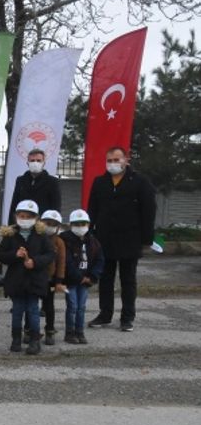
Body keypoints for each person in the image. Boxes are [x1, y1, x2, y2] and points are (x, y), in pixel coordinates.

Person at [86, 146, 156, 332]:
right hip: (104, 239)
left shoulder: (141, 182)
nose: (113, 164)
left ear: (126, 160)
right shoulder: (100, 182)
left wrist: (147, 239)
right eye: (109, 160)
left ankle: (127, 318)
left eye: (117, 160)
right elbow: (92, 209)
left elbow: (149, 211)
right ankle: (105, 314)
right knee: (105, 278)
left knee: (128, 280)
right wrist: (88, 233)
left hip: (130, 238)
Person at [0, 200, 55, 355]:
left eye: (28, 216)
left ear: (36, 218)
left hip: (35, 281)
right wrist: (14, 255)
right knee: (17, 311)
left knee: (33, 311)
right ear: (16, 216)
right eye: (21, 216)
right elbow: (1, 255)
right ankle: (16, 339)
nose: (24, 219)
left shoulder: (41, 235)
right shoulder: (10, 235)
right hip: (16, 282)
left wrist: (34, 262)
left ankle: (34, 340)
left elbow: (50, 254)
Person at [60, 209, 104, 344]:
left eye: (83, 224)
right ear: (70, 225)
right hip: (71, 280)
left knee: (81, 307)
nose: (80, 227)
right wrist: (79, 277)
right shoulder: (65, 240)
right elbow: (66, 262)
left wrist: (92, 276)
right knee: (72, 306)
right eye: (76, 224)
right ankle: (69, 333)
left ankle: (80, 332)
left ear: (88, 224)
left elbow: (100, 260)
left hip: (86, 281)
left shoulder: (93, 241)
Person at [30, 210, 67, 346]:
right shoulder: (35, 238)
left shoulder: (59, 242)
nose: (49, 226)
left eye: (53, 224)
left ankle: (50, 331)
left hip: (49, 280)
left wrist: (59, 280)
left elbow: (62, 263)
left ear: (58, 226)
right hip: (34, 278)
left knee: (49, 306)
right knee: (31, 305)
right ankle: (29, 330)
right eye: (47, 223)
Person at [8, 148, 61, 225]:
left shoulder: (52, 182)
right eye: (32, 161)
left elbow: (56, 207)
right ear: (27, 163)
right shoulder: (20, 180)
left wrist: (52, 226)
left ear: (44, 163)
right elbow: (14, 204)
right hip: (22, 223)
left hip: (42, 225)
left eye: (38, 160)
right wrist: (11, 225)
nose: (35, 163)